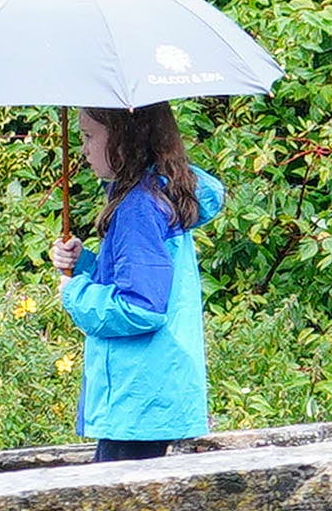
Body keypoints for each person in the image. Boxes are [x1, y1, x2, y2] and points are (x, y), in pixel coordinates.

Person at [53, 100, 212, 463]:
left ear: (125, 139)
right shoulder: (158, 192)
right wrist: (84, 266)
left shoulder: (138, 208)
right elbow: (142, 279)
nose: (83, 148)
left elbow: (141, 307)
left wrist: (74, 293)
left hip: (138, 398)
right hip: (152, 392)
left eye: (90, 136)